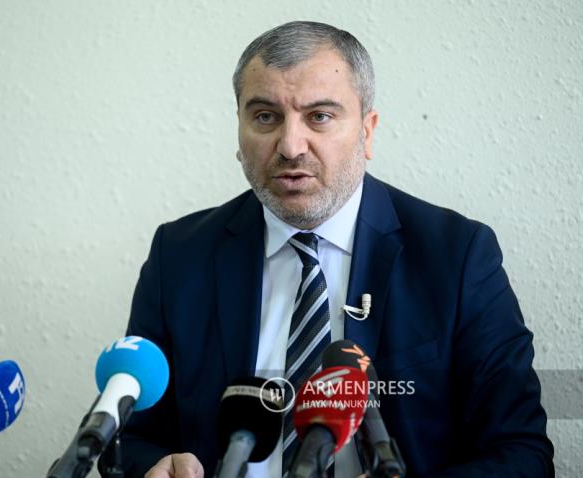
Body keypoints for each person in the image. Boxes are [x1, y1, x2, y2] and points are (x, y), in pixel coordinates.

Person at [119, 21, 554, 477]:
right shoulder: (179, 255)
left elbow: (521, 452)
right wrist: (154, 466)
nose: (291, 146)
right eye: (265, 116)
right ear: (239, 130)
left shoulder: (457, 256)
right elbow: (132, 437)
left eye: (320, 116)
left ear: (367, 131)